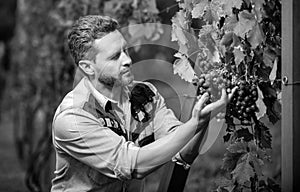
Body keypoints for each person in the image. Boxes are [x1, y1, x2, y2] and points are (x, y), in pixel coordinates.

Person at [51, 15, 236, 192]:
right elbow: (133, 165)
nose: (128, 60)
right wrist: (193, 124)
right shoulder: (73, 117)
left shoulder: (145, 95)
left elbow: (183, 153)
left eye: (126, 50)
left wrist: (203, 119)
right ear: (87, 67)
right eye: (115, 57)